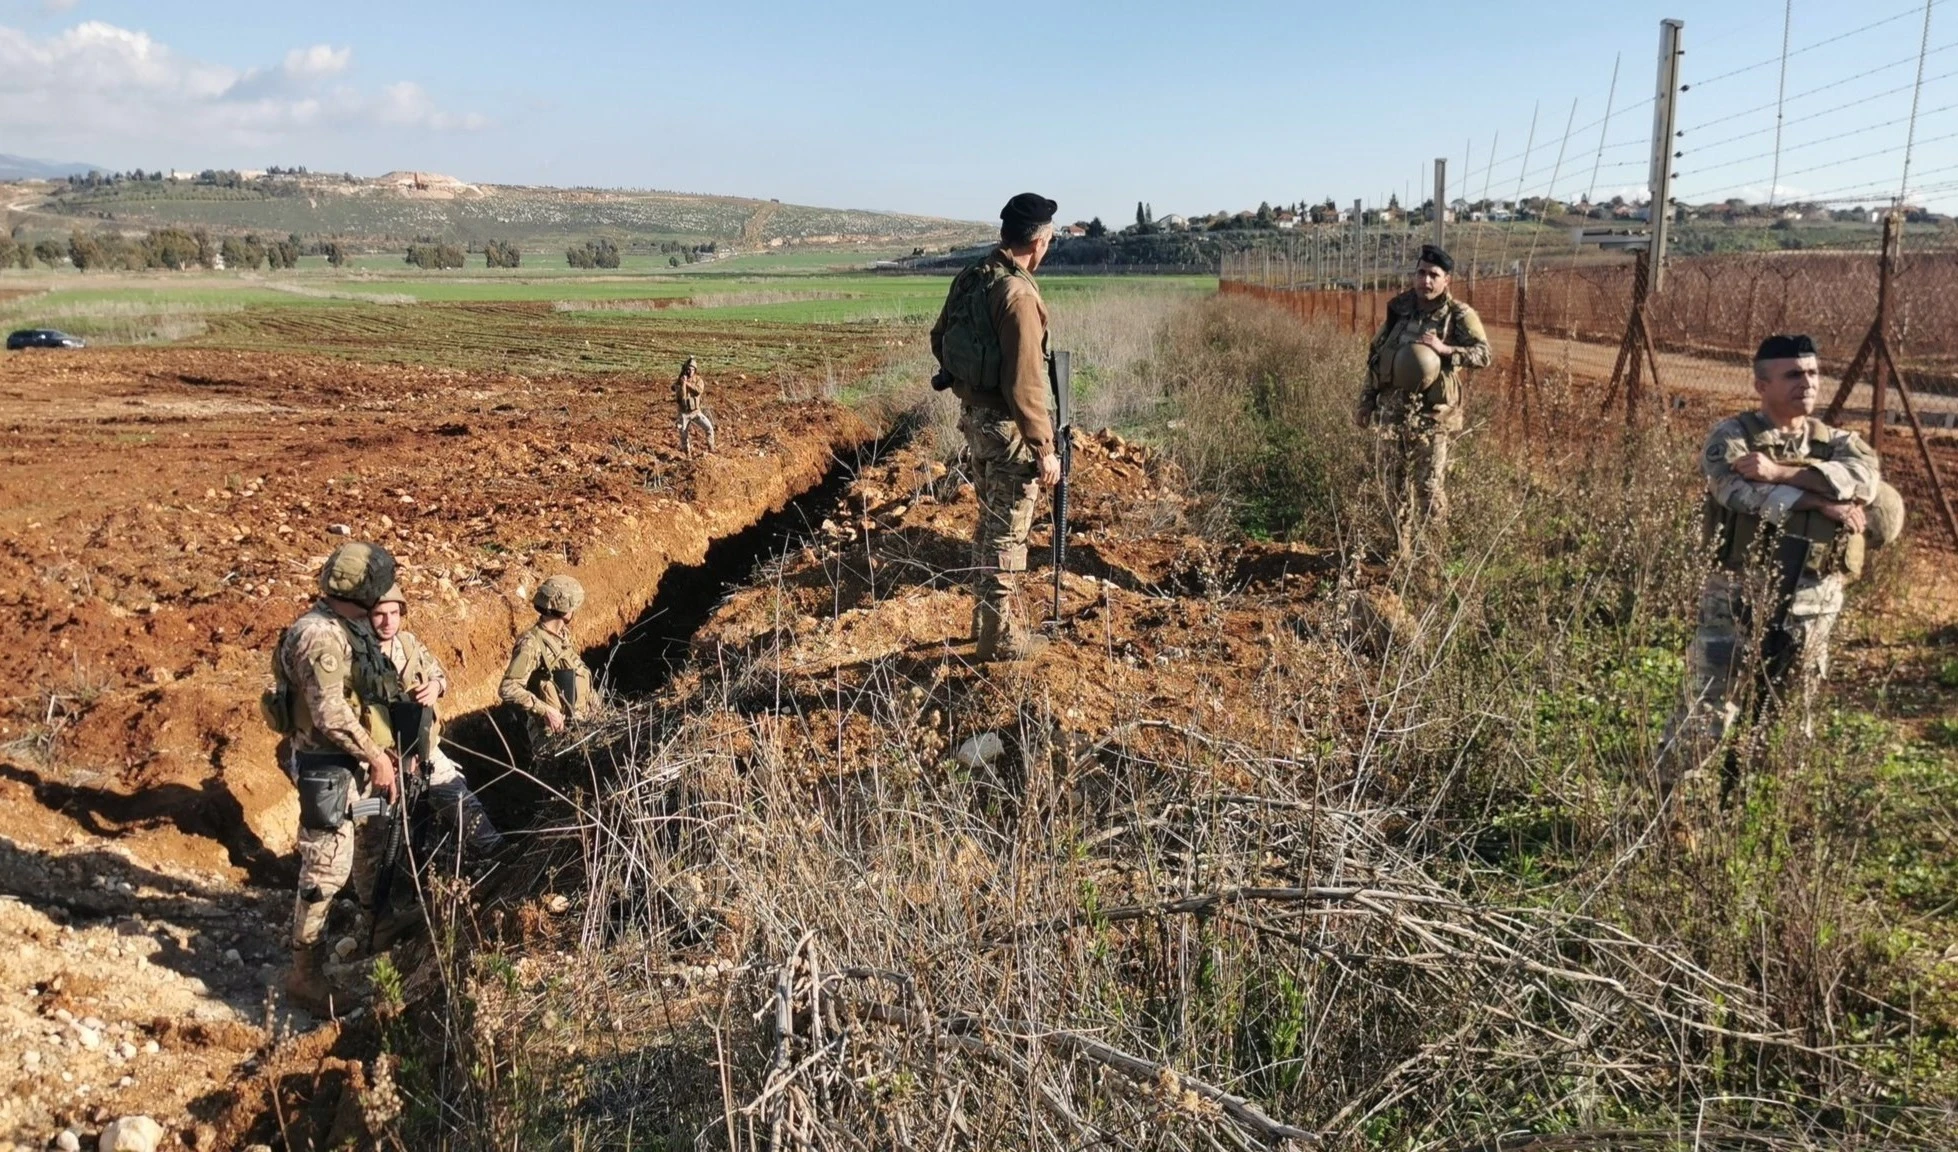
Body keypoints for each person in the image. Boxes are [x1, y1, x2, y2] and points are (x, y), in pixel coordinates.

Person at [1658, 334, 1887, 802]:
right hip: (1737, 598)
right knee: (1705, 714)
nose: (1808, 382)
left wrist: (1780, 474)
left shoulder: (1840, 442)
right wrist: (1823, 501)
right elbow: (1738, 493)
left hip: (1813, 604)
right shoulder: (1732, 437)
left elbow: (1865, 481)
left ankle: (1753, 818)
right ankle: (1668, 814)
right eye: (1793, 374)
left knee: (1785, 720)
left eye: (1813, 373)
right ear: (1761, 384)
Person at [267, 542, 404, 1015]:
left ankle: (376, 921)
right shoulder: (319, 635)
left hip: (358, 764)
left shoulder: (351, 626)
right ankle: (305, 973)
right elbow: (329, 712)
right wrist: (376, 756)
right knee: (326, 869)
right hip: (327, 768)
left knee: (371, 834)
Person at [930, 192, 1063, 661]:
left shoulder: (973, 276)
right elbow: (1025, 381)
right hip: (1007, 431)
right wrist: (1044, 448)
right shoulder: (1018, 294)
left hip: (974, 420)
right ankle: (998, 639)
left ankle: (983, 621)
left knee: (989, 522)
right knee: (1007, 532)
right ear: (1040, 241)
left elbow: (938, 337)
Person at [1356, 243, 1491, 559]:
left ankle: (1431, 563)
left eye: (1434, 275)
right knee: (1393, 485)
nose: (1425, 281)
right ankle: (1396, 553)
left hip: (1433, 418)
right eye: (1421, 273)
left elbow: (1484, 354)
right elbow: (1376, 358)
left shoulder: (1459, 315)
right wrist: (1366, 401)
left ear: (1447, 280)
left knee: (1428, 490)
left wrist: (1446, 350)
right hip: (1392, 411)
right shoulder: (1399, 311)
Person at [369, 586, 504, 859]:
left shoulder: (408, 643)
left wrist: (435, 686)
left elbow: (439, 675)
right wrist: (385, 756)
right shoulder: (358, 658)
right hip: (381, 756)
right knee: (374, 817)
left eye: (394, 613)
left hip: (422, 744)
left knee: (459, 798)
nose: (388, 621)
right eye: (379, 615)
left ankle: (494, 850)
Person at [499, 574, 596, 753]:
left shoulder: (562, 636)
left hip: (579, 727)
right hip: (552, 737)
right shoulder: (531, 643)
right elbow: (508, 687)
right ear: (565, 608)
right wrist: (546, 711)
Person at [675, 356, 717, 455]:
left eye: (692, 369)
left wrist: (687, 384)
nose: (690, 371)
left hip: (696, 412)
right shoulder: (680, 381)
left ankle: (711, 448)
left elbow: (698, 391)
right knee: (684, 436)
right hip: (684, 413)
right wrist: (682, 384)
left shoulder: (698, 380)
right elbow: (679, 397)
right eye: (688, 369)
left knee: (709, 428)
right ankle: (687, 455)